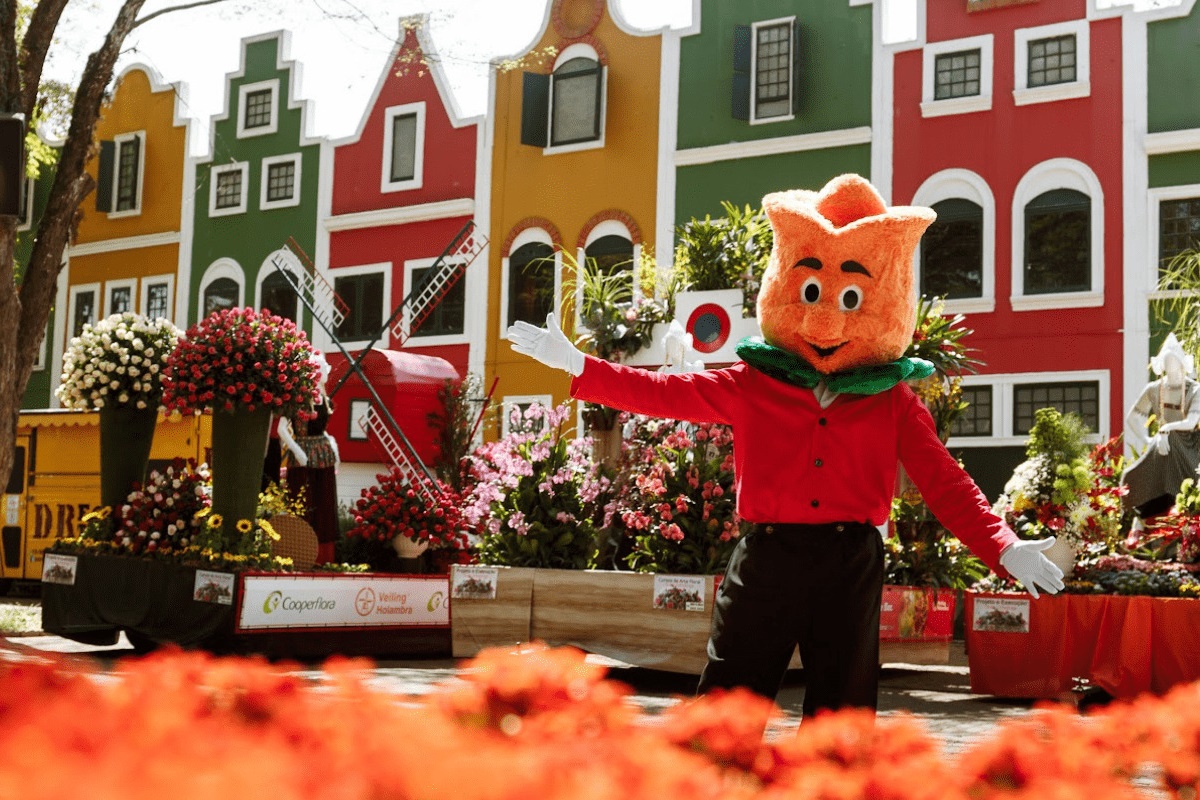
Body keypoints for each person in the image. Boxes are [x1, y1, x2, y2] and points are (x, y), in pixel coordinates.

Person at [508, 174, 1062, 718]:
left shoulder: (890, 400)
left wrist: (1003, 545)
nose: (825, 319)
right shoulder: (753, 384)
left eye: (850, 299)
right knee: (729, 700)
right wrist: (578, 365)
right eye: (814, 293)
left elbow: (943, 479)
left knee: (840, 715)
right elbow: (661, 392)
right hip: (768, 556)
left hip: (850, 561)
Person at [1122, 333, 1200, 520]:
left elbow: (1191, 422)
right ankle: (1142, 519)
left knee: (1171, 440)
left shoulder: (1195, 389)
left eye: (1175, 360)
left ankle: (1181, 505)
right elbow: (1132, 418)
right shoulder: (1154, 389)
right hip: (1161, 445)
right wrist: (1147, 440)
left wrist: (1166, 429)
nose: (1171, 364)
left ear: (1182, 362)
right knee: (1131, 476)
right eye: (1167, 360)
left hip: (1191, 446)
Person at [279, 352, 340, 564]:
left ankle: (324, 558)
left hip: (323, 455)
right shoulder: (298, 398)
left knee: (323, 505)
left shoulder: (325, 399)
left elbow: (322, 429)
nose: (327, 371)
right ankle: (301, 554)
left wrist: (333, 445)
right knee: (304, 503)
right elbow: (281, 428)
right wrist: (296, 450)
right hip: (303, 455)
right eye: (323, 368)